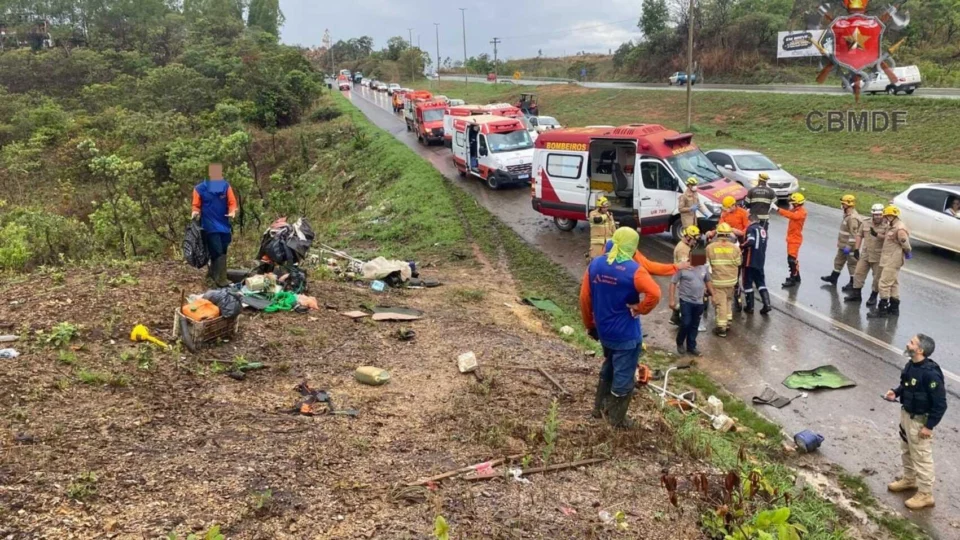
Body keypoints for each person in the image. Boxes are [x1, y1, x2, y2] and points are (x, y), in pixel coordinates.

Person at [581, 228, 661, 428]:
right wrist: (641, 308)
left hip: (604, 331)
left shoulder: (596, 264)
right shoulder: (634, 270)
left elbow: (584, 298)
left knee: (609, 365)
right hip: (626, 334)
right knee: (624, 377)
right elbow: (655, 293)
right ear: (633, 246)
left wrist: (590, 326)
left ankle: (598, 408)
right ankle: (616, 420)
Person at [884, 334, 946, 510]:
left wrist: (929, 426)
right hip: (907, 416)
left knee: (921, 457)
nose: (907, 344)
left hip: (920, 422)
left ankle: (926, 495)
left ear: (920, 350)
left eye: (911, 343)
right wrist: (895, 393)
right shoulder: (911, 365)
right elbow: (907, 385)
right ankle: (909, 479)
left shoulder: (931, 374)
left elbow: (940, 404)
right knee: (907, 450)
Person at [192, 163, 238, 288]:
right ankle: (220, 280)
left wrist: (232, 211)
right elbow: (196, 205)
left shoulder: (225, 186)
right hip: (209, 224)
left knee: (223, 249)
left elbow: (232, 202)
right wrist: (195, 213)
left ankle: (213, 275)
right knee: (216, 250)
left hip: (224, 223)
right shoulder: (199, 189)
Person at [868, 205, 912, 318]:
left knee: (884, 283)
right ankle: (894, 308)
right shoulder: (891, 226)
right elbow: (888, 238)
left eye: (887, 216)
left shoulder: (899, 228)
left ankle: (882, 309)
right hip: (887, 258)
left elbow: (905, 243)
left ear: (893, 216)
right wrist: (877, 234)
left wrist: (907, 252)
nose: (885, 218)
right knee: (893, 283)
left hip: (893, 259)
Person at [670, 252, 715, 357]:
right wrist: (671, 300)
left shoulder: (703, 267)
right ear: (690, 257)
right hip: (686, 300)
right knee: (686, 323)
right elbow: (673, 283)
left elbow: (708, 281)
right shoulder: (683, 267)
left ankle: (691, 346)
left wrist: (713, 295)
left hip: (699, 302)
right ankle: (680, 342)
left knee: (695, 325)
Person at [844, 204, 888, 306]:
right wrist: (856, 249)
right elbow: (859, 235)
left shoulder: (887, 226)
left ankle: (873, 296)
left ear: (883, 214)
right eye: (875, 214)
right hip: (865, 254)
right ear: (872, 214)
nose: (877, 217)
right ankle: (856, 295)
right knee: (858, 273)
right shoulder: (866, 222)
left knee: (877, 277)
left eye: (879, 214)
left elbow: (889, 239)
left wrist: (877, 235)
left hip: (878, 256)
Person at [706, 223, 742, 337]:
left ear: (718, 234)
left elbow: (704, 265)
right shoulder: (735, 248)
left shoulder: (710, 247)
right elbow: (739, 262)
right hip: (731, 280)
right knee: (728, 300)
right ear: (728, 235)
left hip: (718, 281)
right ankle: (728, 321)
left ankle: (721, 328)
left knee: (720, 303)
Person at [821, 195, 861, 290]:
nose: (841, 205)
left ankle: (853, 283)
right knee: (838, 261)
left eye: (843, 203)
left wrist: (848, 246)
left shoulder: (852, 218)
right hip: (843, 245)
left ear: (848, 204)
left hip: (849, 247)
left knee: (852, 264)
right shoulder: (847, 215)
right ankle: (833, 278)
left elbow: (854, 235)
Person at [741, 214, 771, 315]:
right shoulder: (763, 229)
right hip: (760, 260)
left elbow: (751, 241)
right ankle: (767, 304)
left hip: (750, 260)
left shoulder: (751, 229)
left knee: (747, 282)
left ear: (750, 221)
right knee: (760, 282)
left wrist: (741, 246)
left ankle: (750, 307)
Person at [669, 226, 700, 326]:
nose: (695, 242)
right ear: (688, 238)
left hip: (683, 277)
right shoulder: (683, 249)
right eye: (694, 239)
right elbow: (687, 265)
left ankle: (675, 318)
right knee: (686, 300)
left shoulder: (685, 246)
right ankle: (680, 319)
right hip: (684, 279)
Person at [777, 192, 808, 288]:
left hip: (795, 239)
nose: (790, 204)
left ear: (797, 203)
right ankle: (797, 276)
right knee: (792, 259)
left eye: (792, 202)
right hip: (791, 238)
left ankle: (793, 278)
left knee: (791, 260)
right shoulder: (796, 210)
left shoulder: (801, 212)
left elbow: (791, 216)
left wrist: (778, 209)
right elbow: (790, 214)